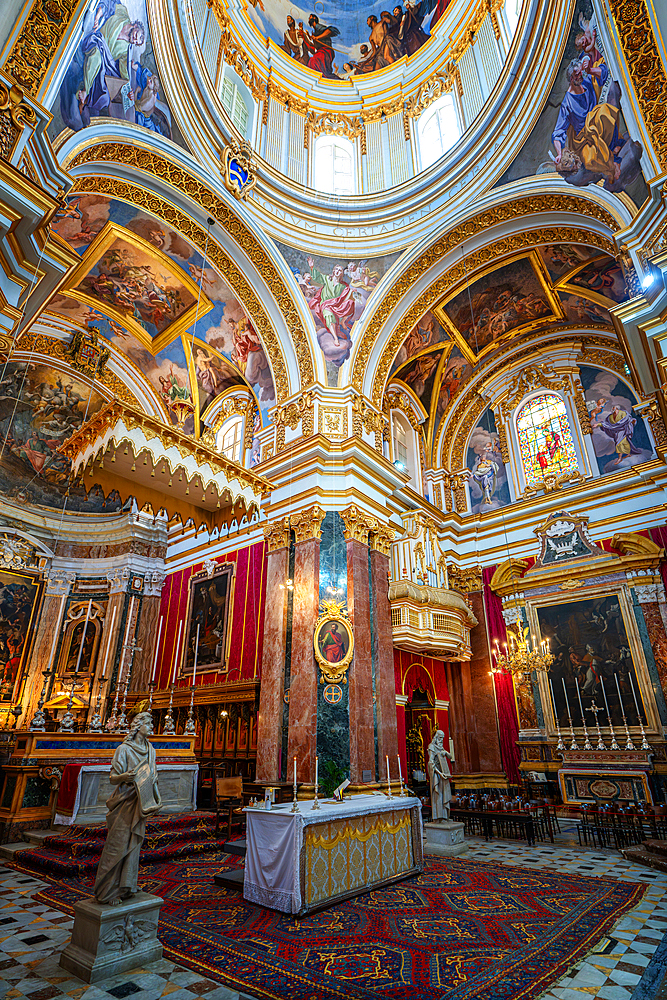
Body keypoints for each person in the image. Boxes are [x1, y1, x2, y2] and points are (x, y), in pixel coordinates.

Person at [94, 712, 161, 905]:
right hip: (124, 802)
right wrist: (126, 777)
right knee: (117, 845)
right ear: (138, 726)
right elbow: (113, 777)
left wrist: (154, 793)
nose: (151, 727)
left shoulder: (151, 750)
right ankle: (107, 890)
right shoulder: (123, 749)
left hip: (141, 803)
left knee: (133, 846)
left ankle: (127, 885)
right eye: (148, 724)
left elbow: (152, 776)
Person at [551, 58, 622, 187]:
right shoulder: (567, 103)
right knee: (590, 159)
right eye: (577, 74)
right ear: (571, 78)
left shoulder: (586, 81)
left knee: (603, 112)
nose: (581, 76)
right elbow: (558, 132)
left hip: (597, 122)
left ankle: (614, 145)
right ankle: (612, 162)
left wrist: (590, 70)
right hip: (584, 138)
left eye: (580, 73)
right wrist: (559, 154)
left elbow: (604, 73)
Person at [591, 403, 642, 468]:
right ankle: (625, 455)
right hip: (617, 432)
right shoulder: (610, 417)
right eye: (612, 408)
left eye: (613, 408)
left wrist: (631, 422)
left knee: (622, 443)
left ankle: (621, 457)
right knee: (619, 443)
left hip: (624, 430)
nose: (612, 409)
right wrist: (598, 424)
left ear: (616, 408)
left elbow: (626, 420)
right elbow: (607, 424)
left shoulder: (623, 413)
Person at [427, 729, 452, 821]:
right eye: (440, 738)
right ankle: (439, 817)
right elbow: (431, 763)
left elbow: (450, 756)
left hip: (444, 775)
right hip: (437, 776)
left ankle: (445, 816)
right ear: (436, 737)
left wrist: (446, 753)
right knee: (439, 796)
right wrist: (440, 774)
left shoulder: (441, 747)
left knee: (445, 795)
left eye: (442, 738)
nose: (441, 740)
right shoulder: (432, 747)